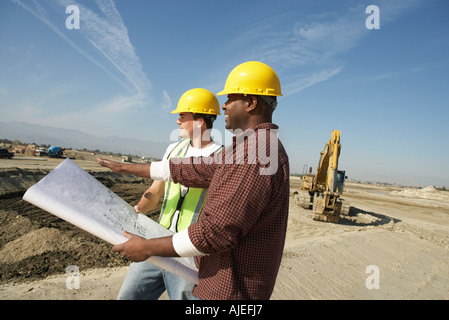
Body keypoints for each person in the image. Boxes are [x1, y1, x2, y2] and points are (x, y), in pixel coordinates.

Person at [98, 61, 290, 300]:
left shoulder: (256, 153)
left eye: (230, 99)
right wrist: (126, 168)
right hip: (217, 281)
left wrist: (147, 247)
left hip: (227, 293)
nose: (224, 106)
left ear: (251, 103)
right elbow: (195, 170)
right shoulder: (250, 147)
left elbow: (216, 232)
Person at [115, 88, 222, 300]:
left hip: (189, 252)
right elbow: (155, 191)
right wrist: (138, 209)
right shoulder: (174, 150)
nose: (177, 121)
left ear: (200, 121)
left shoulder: (222, 157)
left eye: (183, 116)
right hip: (156, 242)